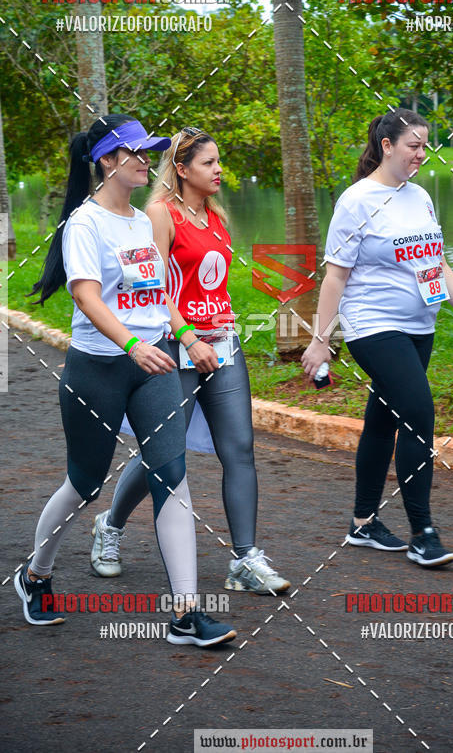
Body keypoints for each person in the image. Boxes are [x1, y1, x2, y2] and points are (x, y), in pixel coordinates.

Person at [15, 114, 236, 647]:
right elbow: (86, 296)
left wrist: (181, 339)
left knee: (173, 478)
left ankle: (186, 613)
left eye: (148, 152)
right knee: (85, 482)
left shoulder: (143, 221)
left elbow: (159, 295)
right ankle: (36, 574)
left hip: (154, 363)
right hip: (99, 368)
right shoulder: (84, 224)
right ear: (108, 161)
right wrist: (131, 345)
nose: (146, 160)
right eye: (135, 152)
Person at [90, 127, 290, 595]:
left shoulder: (215, 217)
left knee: (239, 449)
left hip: (222, 343)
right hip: (176, 347)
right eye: (208, 163)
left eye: (219, 162)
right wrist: (186, 335)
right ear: (181, 169)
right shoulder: (159, 215)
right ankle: (111, 526)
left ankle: (245, 559)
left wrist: (221, 317)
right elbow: (152, 287)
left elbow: (209, 284)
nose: (219, 170)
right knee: (165, 450)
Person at [301, 109, 453, 567]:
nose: (422, 154)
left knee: (383, 420)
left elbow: (436, 263)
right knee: (418, 413)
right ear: (387, 146)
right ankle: (424, 532)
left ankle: (363, 522)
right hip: (372, 325)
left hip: (419, 327)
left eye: (425, 146)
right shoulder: (357, 201)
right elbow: (335, 277)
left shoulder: (420, 197)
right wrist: (321, 338)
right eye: (414, 145)